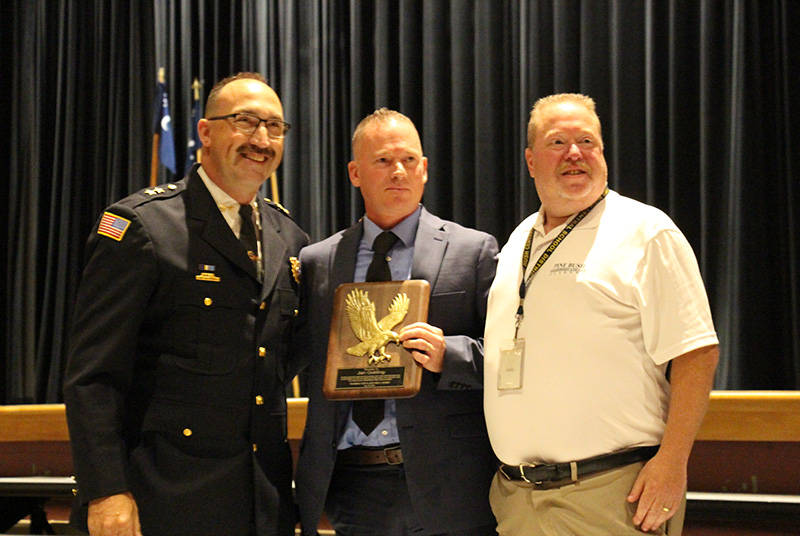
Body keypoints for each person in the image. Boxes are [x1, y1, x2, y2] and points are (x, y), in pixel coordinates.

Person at [63, 72, 308, 536]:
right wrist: (105, 490)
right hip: (161, 498)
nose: (261, 138)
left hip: (259, 501)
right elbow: (93, 376)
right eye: (245, 121)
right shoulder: (143, 227)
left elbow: (277, 362)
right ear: (205, 132)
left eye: (274, 127)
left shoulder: (289, 237)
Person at [483, 93, 719, 535]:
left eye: (587, 141)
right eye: (558, 142)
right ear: (531, 162)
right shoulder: (519, 240)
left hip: (612, 494)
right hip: (517, 498)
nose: (575, 153)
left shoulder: (646, 232)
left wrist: (672, 462)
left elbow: (697, 353)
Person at [291, 108, 499, 536]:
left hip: (449, 481)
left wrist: (451, 354)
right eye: (383, 160)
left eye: (409, 160)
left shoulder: (473, 251)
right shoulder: (318, 262)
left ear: (424, 170)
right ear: (354, 172)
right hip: (353, 483)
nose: (398, 171)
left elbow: (510, 356)